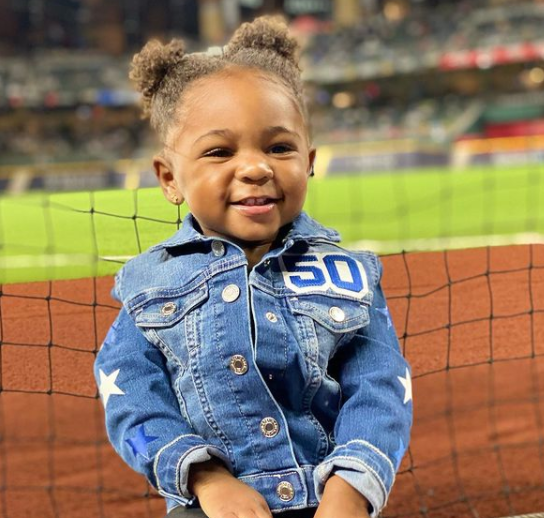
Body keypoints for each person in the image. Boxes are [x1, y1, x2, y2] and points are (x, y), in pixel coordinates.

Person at [94, 16, 412, 518]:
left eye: (278, 147)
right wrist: (206, 478)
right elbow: (129, 394)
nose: (256, 167)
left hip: (329, 501)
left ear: (308, 161)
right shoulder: (147, 284)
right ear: (169, 178)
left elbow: (381, 388)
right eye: (220, 151)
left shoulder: (349, 275)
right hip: (212, 505)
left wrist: (351, 488)